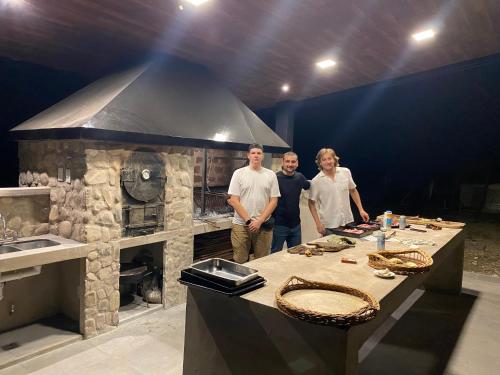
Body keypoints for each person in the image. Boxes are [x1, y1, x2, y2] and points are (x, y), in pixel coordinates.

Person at [227, 143, 280, 263]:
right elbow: (234, 200)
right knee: (240, 260)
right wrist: (249, 221)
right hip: (241, 224)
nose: (256, 155)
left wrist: (259, 220)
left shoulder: (270, 175)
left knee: (262, 261)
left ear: (263, 156)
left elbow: (274, 201)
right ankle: (241, 281)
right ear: (248, 155)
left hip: (263, 225)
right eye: (253, 153)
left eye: (259, 153)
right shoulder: (238, 173)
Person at [308, 148, 369, 236]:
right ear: (320, 162)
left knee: (351, 248)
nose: (327, 162)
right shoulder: (316, 181)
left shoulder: (345, 172)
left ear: (334, 159)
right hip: (330, 226)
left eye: (329, 158)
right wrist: (318, 224)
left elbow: (353, 190)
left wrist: (361, 210)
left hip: (348, 221)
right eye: (324, 159)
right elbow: (311, 203)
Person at [271, 152, 310, 252]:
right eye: (287, 161)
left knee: (296, 256)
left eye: (293, 162)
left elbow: (309, 185)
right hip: (279, 225)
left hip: (296, 225)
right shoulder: (275, 178)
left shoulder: (300, 177)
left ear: (297, 163)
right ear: (282, 162)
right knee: (274, 256)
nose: (290, 164)